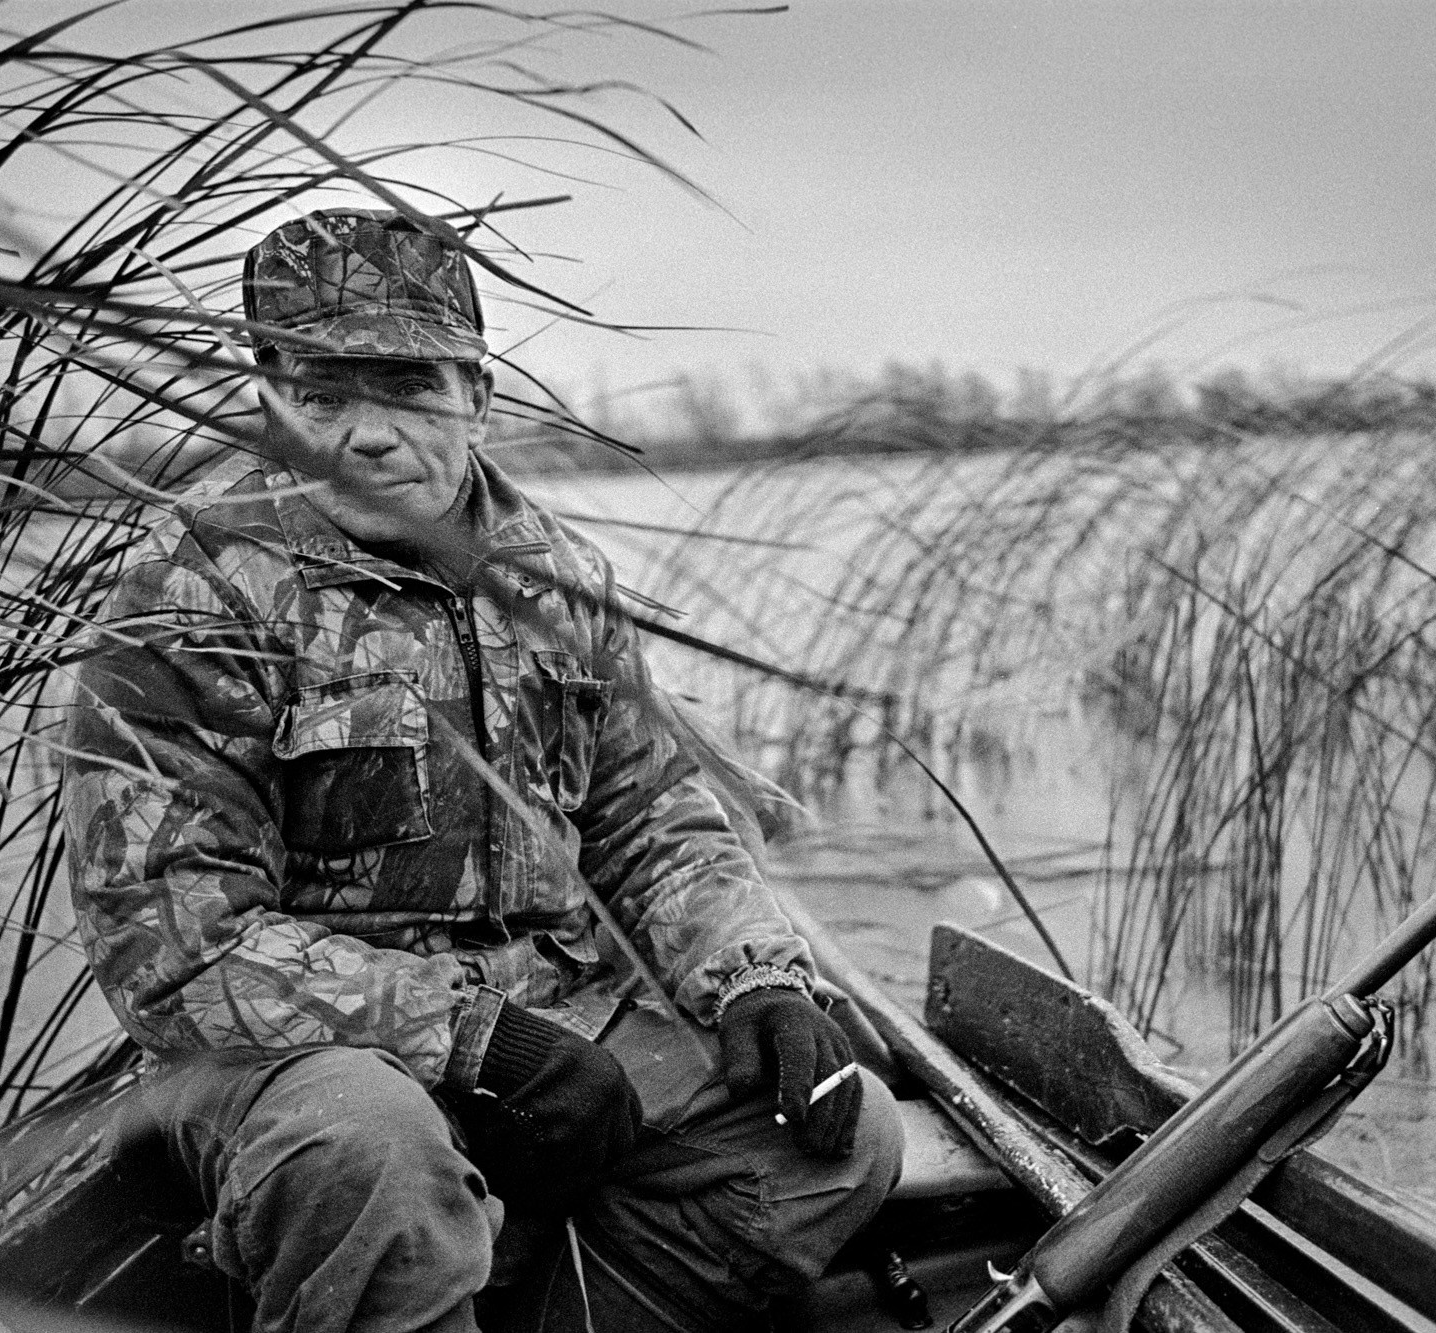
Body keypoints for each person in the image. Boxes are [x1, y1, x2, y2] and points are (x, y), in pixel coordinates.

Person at [60, 208, 904, 1333]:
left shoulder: (557, 575)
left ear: (477, 394)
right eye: (319, 393)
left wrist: (753, 974)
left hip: (557, 1026)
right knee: (365, 1153)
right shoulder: (189, 597)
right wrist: (473, 1040)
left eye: (407, 385)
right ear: (268, 395)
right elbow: (175, 942)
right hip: (302, 1064)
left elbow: (648, 815)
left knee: (842, 1139)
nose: (361, 434)